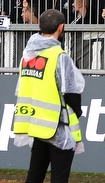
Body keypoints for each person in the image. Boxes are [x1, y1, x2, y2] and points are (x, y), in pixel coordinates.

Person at [13, 9, 85, 183]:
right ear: (61, 27)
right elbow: (70, 92)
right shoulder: (59, 56)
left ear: (40, 26)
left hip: (37, 124)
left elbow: (22, 87)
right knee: (59, 177)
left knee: (34, 175)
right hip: (57, 125)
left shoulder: (27, 55)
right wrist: (77, 111)